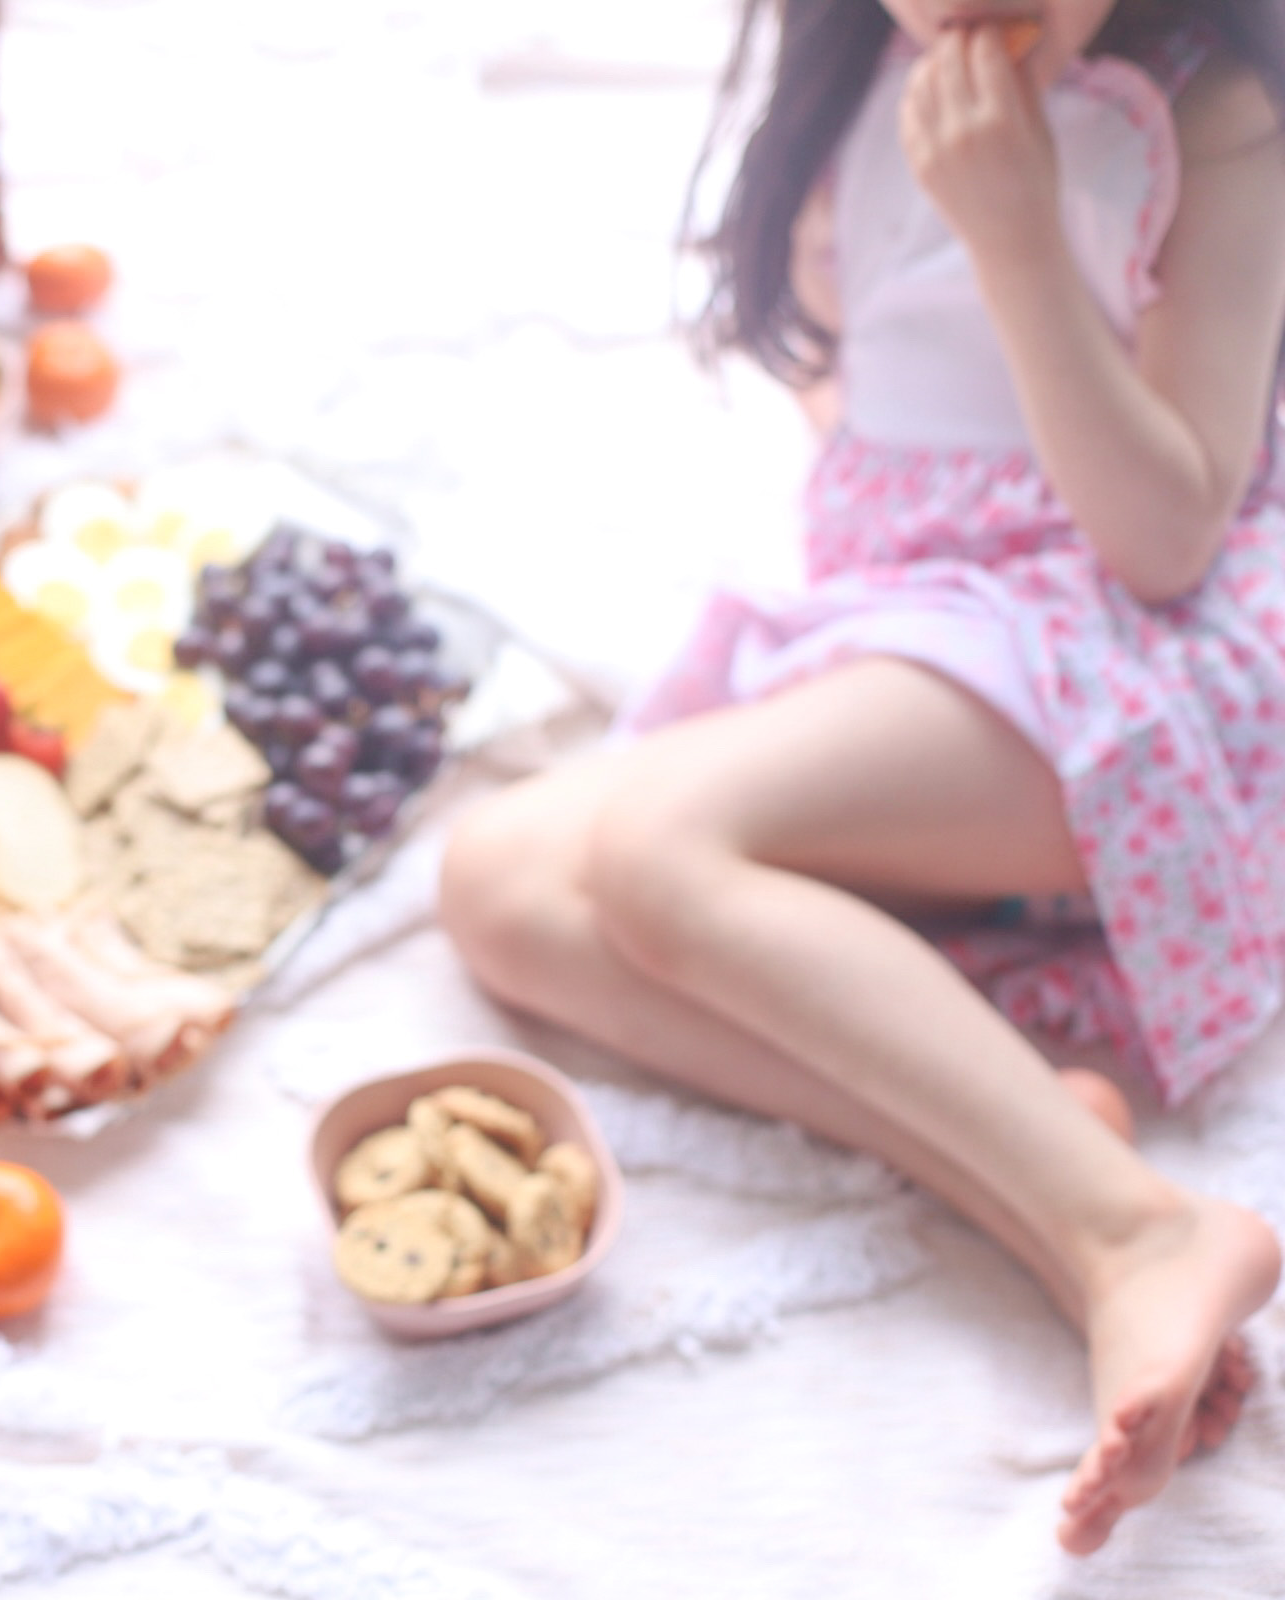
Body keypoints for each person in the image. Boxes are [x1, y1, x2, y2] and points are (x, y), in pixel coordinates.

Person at [440, 0, 1285, 1558]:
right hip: (924, 618)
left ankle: (1137, 1230)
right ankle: (1048, 1158)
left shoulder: (1209, 116)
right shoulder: (876, 65)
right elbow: (864, 374)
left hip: (1129, 667)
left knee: (657, 849)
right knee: (498, 882)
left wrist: (1020, 236)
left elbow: (1164, 543)